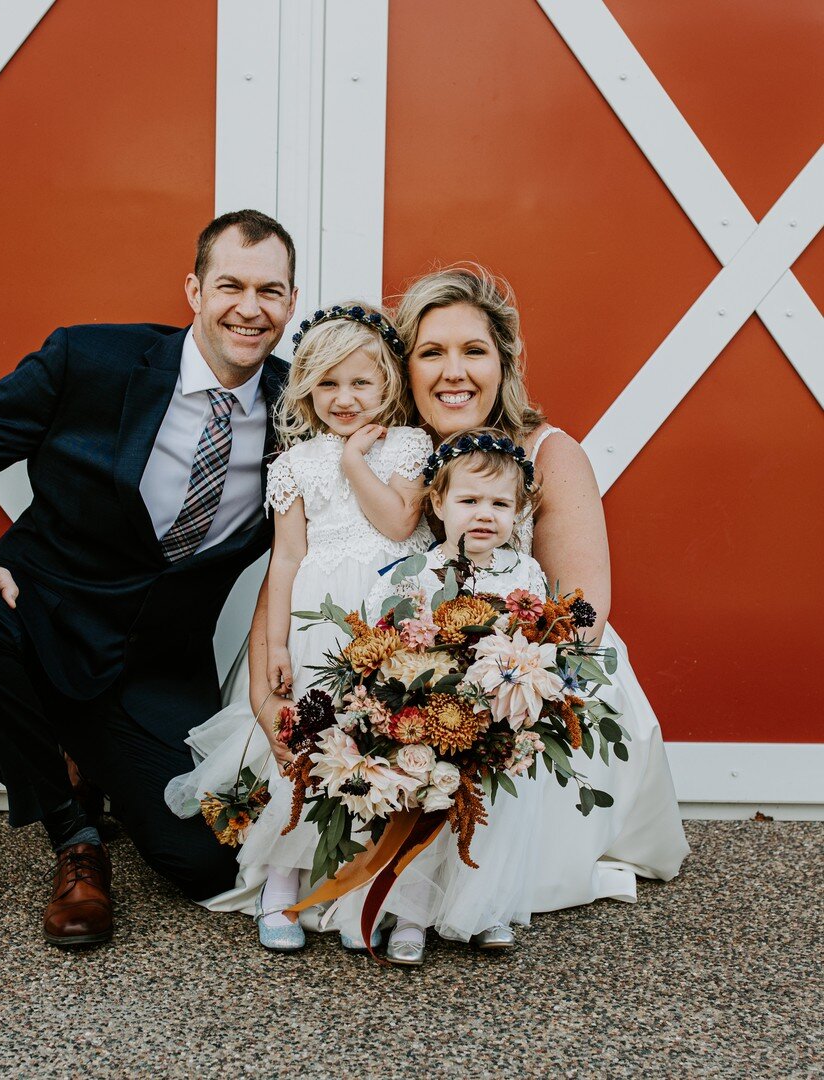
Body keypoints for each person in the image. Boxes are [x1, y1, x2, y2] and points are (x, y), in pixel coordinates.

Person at [245, 263, 689, 945]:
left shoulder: (547, 453)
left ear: (503, 363)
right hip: (382, 672)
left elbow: (580, 619)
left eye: (473, 351)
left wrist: (483, 705)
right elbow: (302, 572)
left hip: (522, 682)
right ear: (404, 368)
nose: (454, 372)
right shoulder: (380, 456)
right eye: (432, 352)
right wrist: (262, 687)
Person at [0, 209, 297, 949]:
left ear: (291, 303)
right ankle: (73, 833)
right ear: (194, 289)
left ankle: (93, 751)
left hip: (154, 661)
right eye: (231, 285)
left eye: (270, 291)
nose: (250, 308)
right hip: (37, 613)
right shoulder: (91, 361)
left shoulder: (299, 409)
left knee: (208, 864)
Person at [164, 303, 434, 951]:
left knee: (387, 752)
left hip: (393, 619)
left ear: (388, 386)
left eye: (360, 383)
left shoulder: (407, 446)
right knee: (309, 748)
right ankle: (281, 885)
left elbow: (399, 525)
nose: (344, 398)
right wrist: (277, 642)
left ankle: (377, 891)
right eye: (328, 383)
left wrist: (353, 463)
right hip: (319, 621)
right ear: (307, 387)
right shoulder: (294, 464)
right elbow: (286, 557)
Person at [338, 428, 550, 964]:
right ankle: (410, 916)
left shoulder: (524, 575)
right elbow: (384, 640)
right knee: (423, 813)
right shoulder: (417, 573)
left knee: (489, 819)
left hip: (493, 721)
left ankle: (482, 911)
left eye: (501, 504)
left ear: (518, 511)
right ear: (438, 501)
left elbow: (537, 644)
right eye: (469, 500)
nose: (485, 514)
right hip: (426, 718)